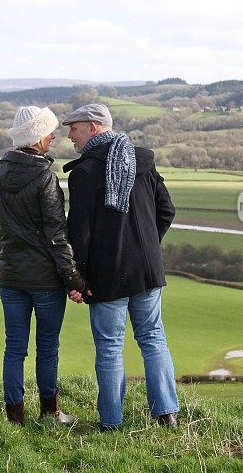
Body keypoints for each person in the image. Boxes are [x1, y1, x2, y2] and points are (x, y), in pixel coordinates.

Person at [62, 103, 179, 430]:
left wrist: (78, 278)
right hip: (147, 271)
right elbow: (166, 211)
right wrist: (147, 248)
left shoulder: (84, 173)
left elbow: (80, 234)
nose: (69, 134)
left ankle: (111, 422)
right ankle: (166, 414)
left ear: (94, 128)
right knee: (153, 338)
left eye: (75, 127)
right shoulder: (142, 160)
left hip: (106, 276)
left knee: (110, 348)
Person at [0, 105, 88, 426]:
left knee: (13, 349)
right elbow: (56, 235)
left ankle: (14, 419)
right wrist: (72, 277)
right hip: (45, 280)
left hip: (11, 276)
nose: (54, 136)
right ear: (37, 137)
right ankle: (50, 412)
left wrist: (1, 259)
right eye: (49, 131)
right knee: (47, 347)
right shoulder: (45, 178)